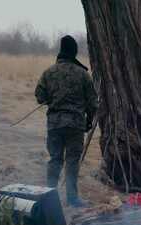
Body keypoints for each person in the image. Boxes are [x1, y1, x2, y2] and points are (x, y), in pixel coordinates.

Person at [35, 35, 98, 207]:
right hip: (75, 126)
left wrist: (51, 98)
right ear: (74, 52)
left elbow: (40, 97)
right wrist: (89, 121)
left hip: (54, 125)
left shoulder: (48, 73)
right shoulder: (83, 75)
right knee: (72, 162)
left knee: (55, 159)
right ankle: (72, 198)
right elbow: (93, 104)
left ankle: (49, 196)